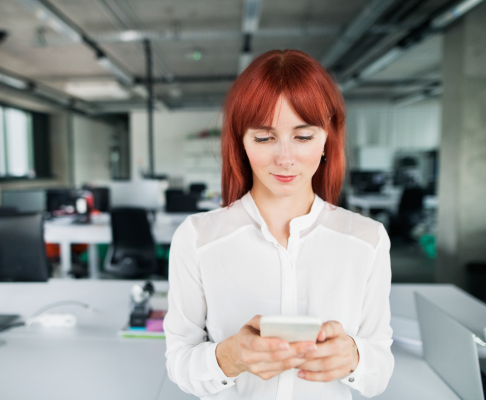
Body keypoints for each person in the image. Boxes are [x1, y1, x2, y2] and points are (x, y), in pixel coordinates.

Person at [164, 49, 394, 399]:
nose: (285, 158)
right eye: (264, 137)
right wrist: (227, 357)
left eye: (303, 137)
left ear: (327, 139)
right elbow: (179, 361)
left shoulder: (367, 239)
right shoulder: (197, 239)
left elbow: (380, 367)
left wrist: (354, 358)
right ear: (240, 142)